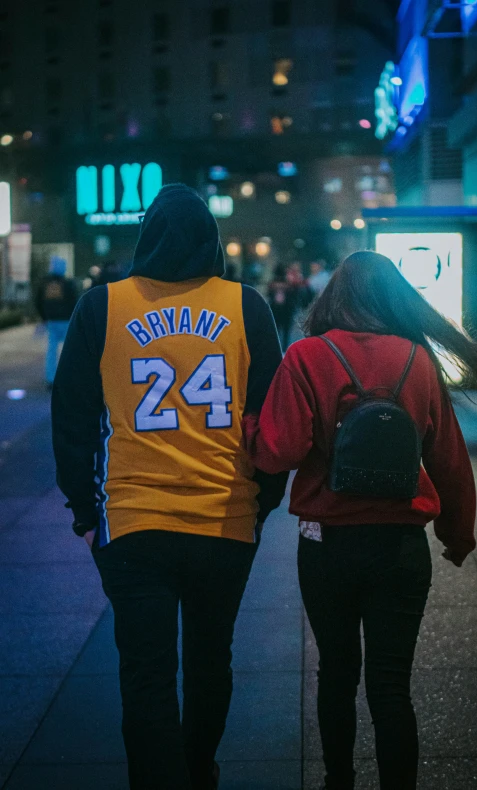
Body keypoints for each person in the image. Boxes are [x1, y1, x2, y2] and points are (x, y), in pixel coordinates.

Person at [243, 251, 477, 790]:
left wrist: (250, 425)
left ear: (333, 296)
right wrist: (457, 536)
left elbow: (278, 451)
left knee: (336, 675)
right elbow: (450, 462)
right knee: (391, 686)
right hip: (400, 549)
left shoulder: (307, 357)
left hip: (327, 549)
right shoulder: (417, 360)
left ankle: (338, 781)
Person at [51, 184, 287, 790]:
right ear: (212, 240)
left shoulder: (102, 307)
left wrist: (85, 511)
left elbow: (72, 418)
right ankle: (198, 767)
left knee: (146, 673)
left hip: (132, 521)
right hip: (225, 517)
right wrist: (264, 500)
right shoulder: (246, 306)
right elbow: (273, 419)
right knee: (212, 661)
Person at [35, 255, 78, 388]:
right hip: (66, 321)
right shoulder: (67, 283)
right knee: (68, 350)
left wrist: (44, 317)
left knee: (51, 350)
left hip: (51, 321)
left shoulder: (45, 283)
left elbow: (38, 301)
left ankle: (51, 378)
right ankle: (70, 377)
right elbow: (74, 301)